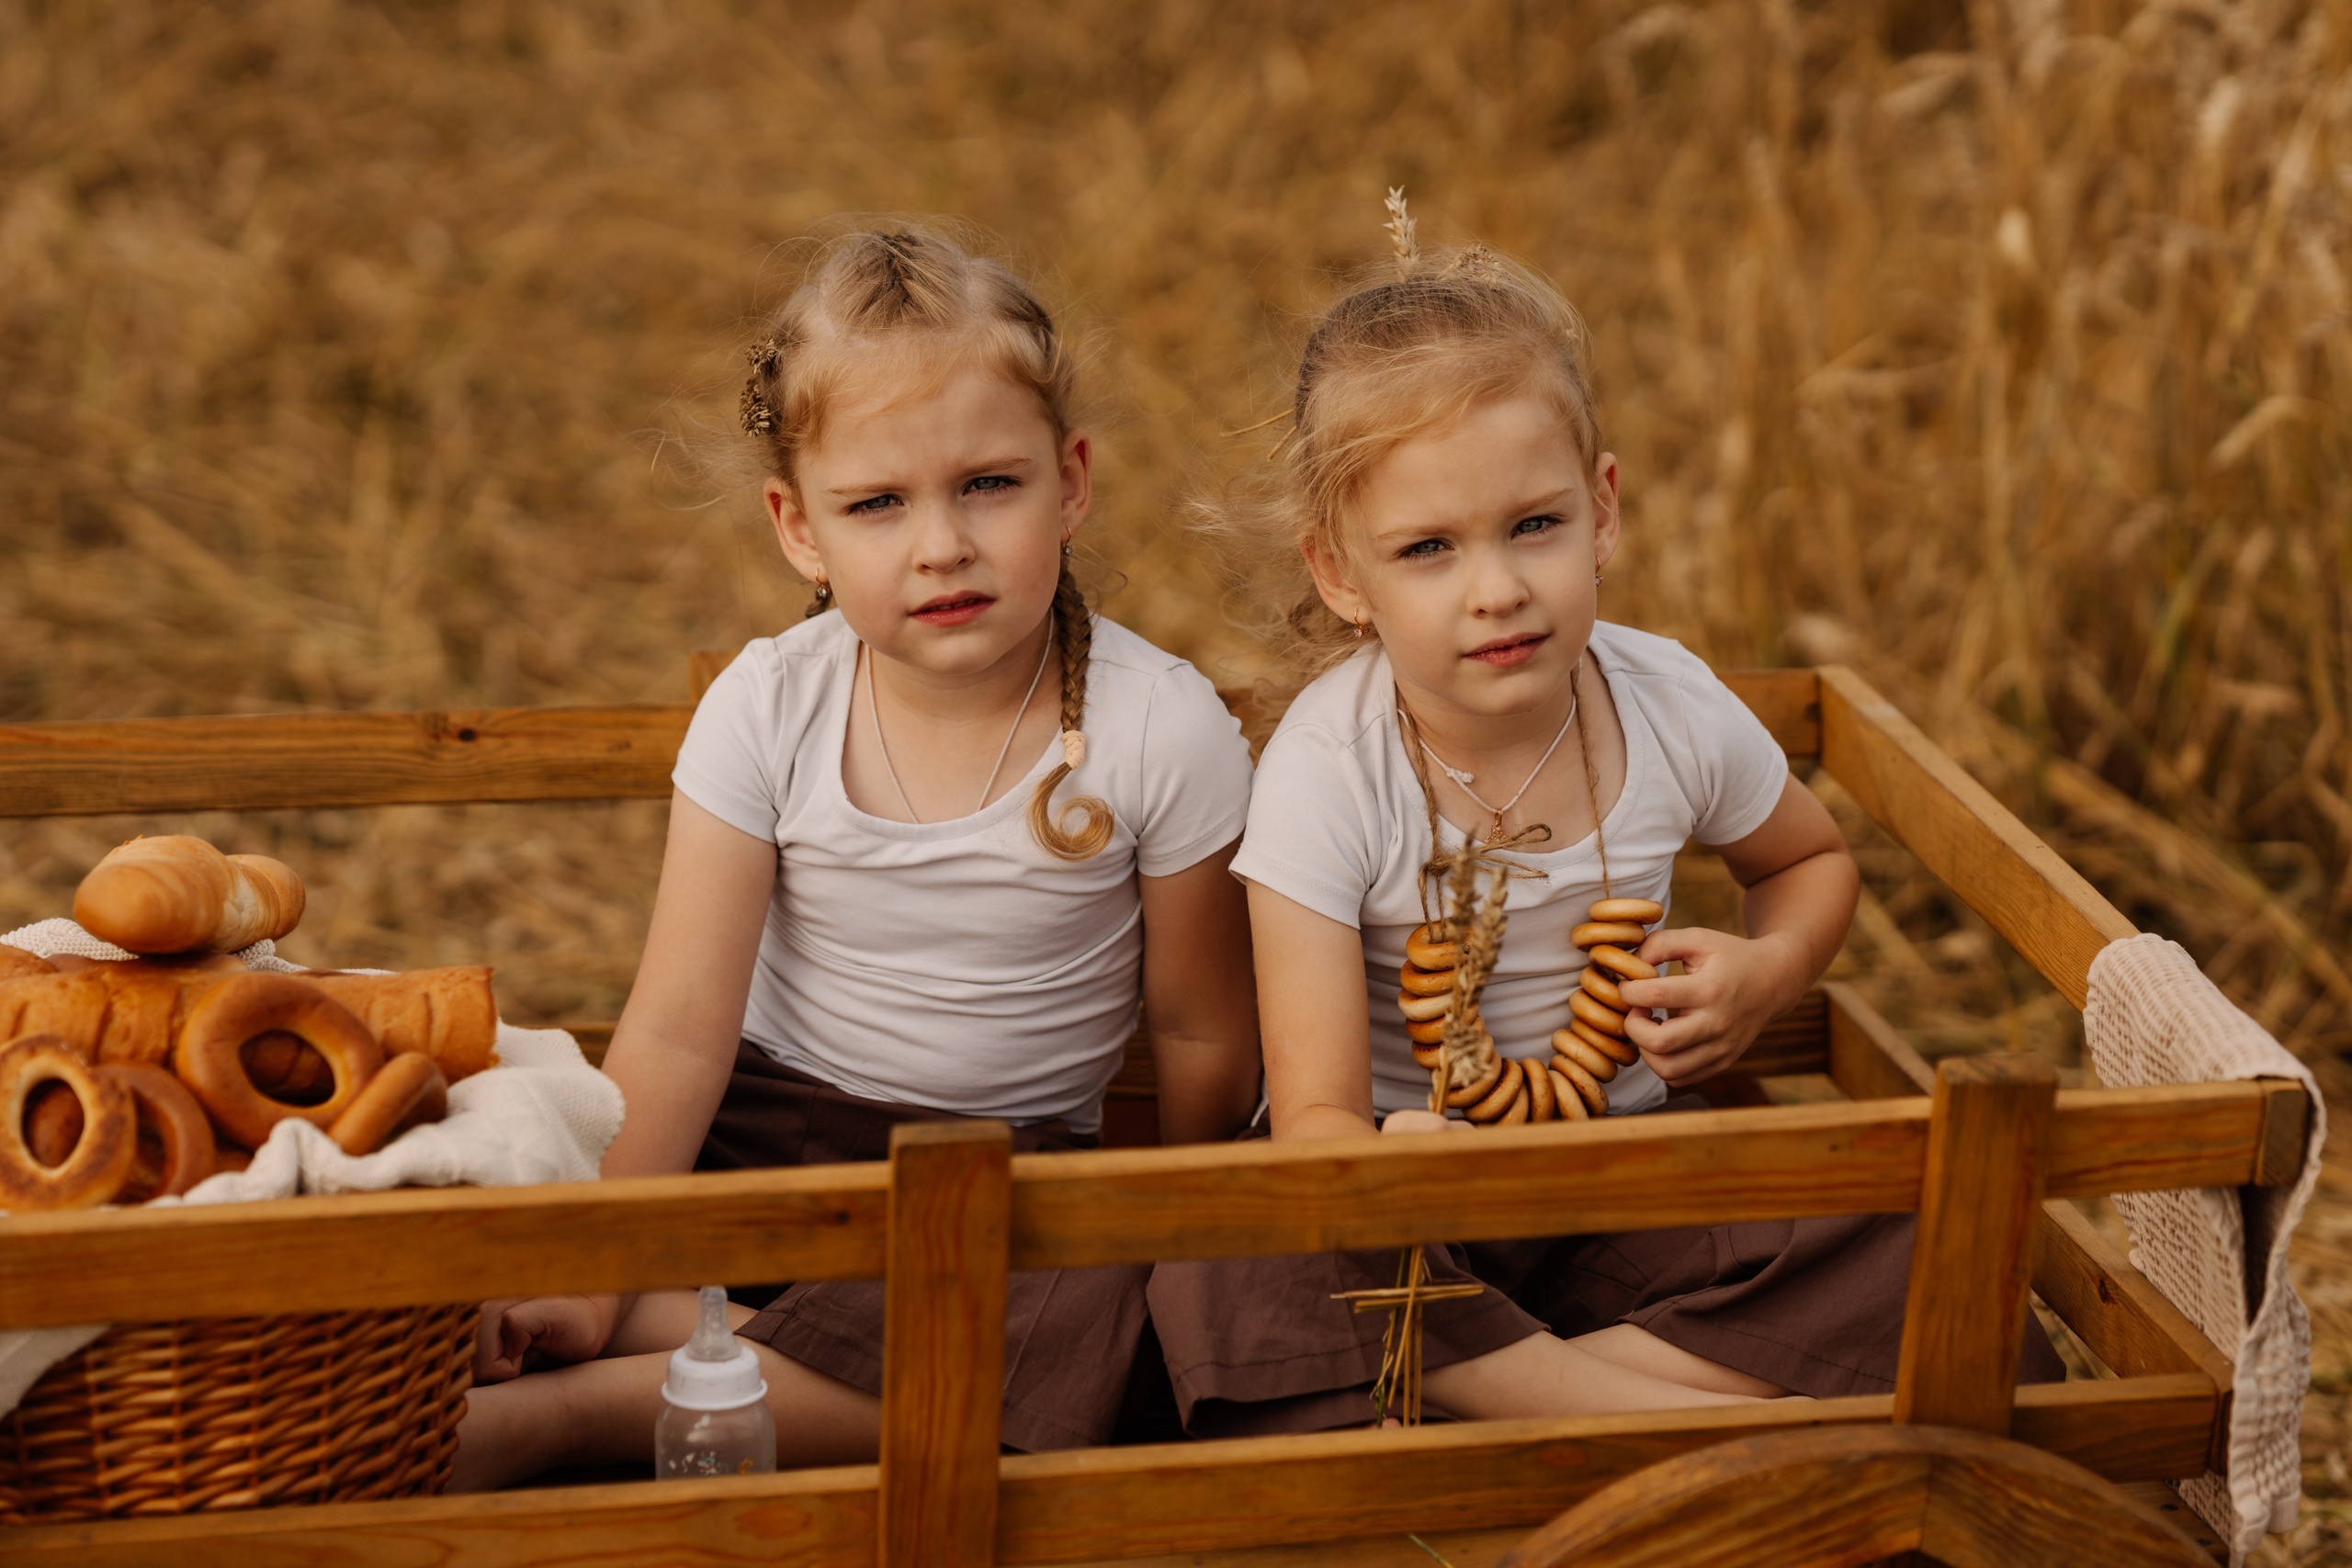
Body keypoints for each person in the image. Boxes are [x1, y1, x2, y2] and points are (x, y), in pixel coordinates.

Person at [1148, 215, 2062, 1438]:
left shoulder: (1667, 702)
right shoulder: (1326, 768)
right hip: (1415, 1212)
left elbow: (1807, 858)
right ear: (1342, 576)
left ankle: (1510, 1402)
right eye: (1428, 549)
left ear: (1604, 507)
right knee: (1228, 1273)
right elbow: (1313, 1114)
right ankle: (1678, 1424)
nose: (1498, 587)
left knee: (1910, 1230)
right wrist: (1393, 1162)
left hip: (1629, 1180)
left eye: (1535, 524)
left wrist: (1770, 967)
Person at [452, 225, 1261, 1488]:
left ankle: (576, 1413)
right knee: (554, 1230)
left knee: (1101, 1325)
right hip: (768, 1144)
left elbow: (1205, 1036)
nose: (940, 543)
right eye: (877, 504)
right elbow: (674, 1034)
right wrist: (598, 1254)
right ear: (800, 529)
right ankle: (704, 1346)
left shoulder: (1159, 727)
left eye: (988, 484)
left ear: (1073, 479)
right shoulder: (770, 706)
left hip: (1003, 1184)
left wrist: (1178, 1247)